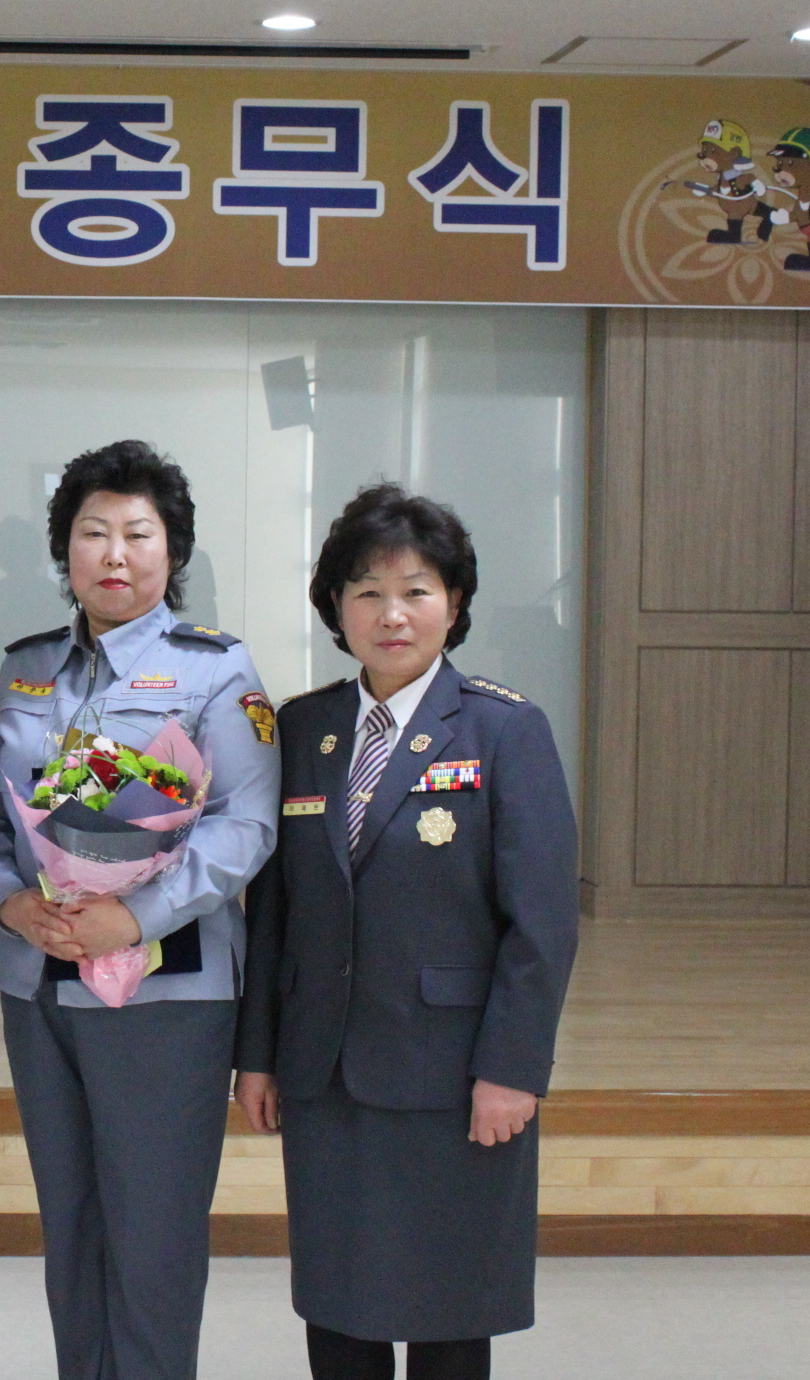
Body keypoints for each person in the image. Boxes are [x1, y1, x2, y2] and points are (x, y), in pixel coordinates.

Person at [236, 483, 578, 1380]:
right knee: (337, 1302)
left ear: (454, 603)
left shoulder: (505, 729)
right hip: (324, 1071)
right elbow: (274, 914)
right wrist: (258, 1056)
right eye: (368, 592)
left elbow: (542, 926)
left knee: (449, 1309)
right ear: (336, 608)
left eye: (416, 591)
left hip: (452, 1074)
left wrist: (514, 1068)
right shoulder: (303, 728)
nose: (392, 615)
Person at [0, 439, 279, 1380]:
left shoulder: (216, 669)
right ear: (64, 549)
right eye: (93, 532)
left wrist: (135, 918)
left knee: (154, 1234)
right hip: (39, 986)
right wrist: (10, 904)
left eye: (139, 534)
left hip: (167, 993)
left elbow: (247, 825)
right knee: (71, 1226)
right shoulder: (27, 669)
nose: (115, 554)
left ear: (172, 551)